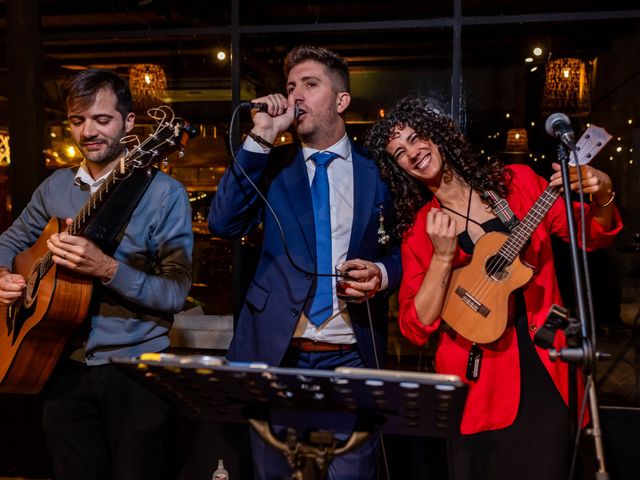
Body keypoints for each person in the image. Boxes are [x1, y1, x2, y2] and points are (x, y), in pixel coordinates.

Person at [365, 95, 622, 480]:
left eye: (417, 137)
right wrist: (441, 258)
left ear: (437, 135)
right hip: (477, 382)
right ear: (397, 167)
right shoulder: (421, 229)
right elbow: (415, 327)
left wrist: (603, 192)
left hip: (545, 363)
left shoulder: (516, 184)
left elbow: (593, 235)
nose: (413, 152)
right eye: (399, 152)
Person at [209, 45, 401, 479]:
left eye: (310, 85)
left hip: (350, 354)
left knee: (352, 474)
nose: (295, 96)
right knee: (274, 472)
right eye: (291, 86)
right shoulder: (269, 165)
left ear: (341, 100)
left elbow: (406, 250)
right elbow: (222, 223)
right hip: (276, 352)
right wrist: (260, 135)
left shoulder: (381, 173)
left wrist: (384, 273)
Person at [0, 69, 193, 480]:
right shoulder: (54, 187)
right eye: (77, 120)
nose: (88, 131)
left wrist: (106, 268)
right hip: (59, 365)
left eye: (101, 120)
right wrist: (3, 276)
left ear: (128, 124)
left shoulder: (164, 194)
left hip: (135, 372)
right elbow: (7, 243)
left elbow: (175, 293)